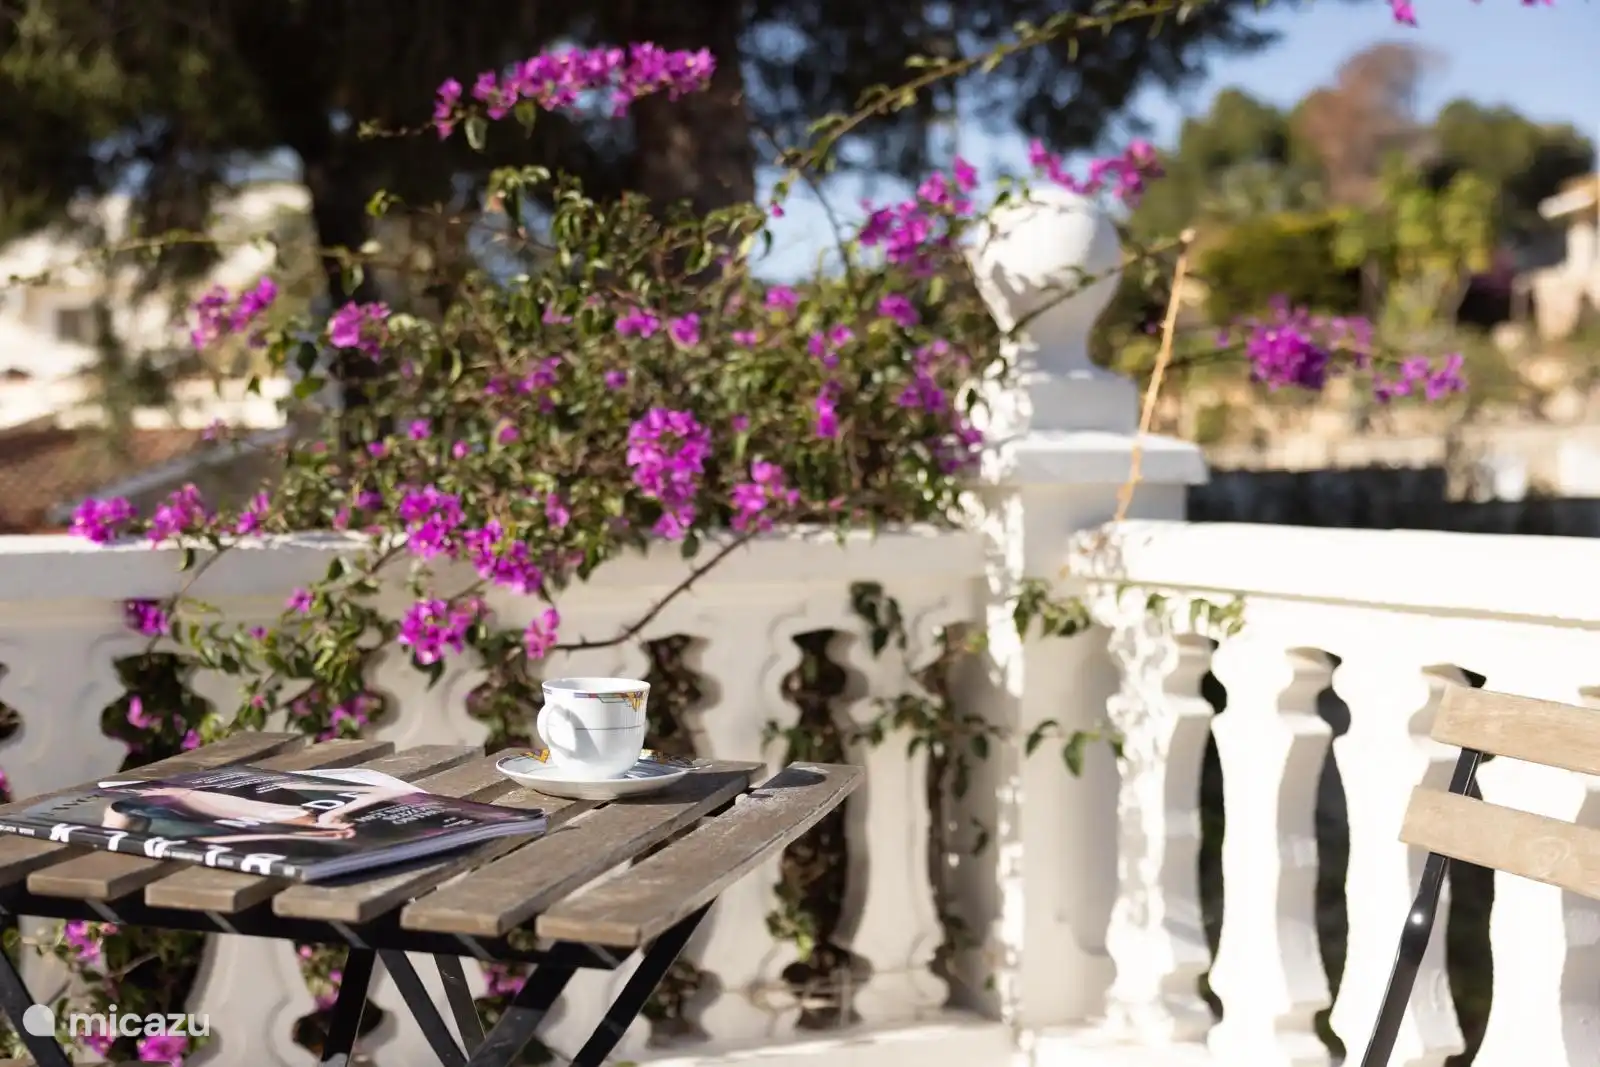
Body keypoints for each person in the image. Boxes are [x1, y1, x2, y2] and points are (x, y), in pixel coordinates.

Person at [93, 775, 419, 843]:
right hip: (219, 786)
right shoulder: (313, 806)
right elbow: (385, 790)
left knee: (120, 817)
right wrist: (335, 814)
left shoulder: (257, 832)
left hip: (172, 804)